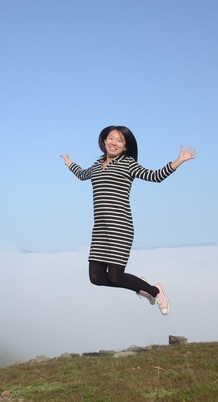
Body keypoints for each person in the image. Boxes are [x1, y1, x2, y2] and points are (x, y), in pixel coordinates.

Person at [60, 125, 196, 315]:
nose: (113, 142)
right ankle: (142, 288)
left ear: (125, 147)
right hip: (100, 229)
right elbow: (83, 175)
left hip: (120, 227)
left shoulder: (128, 164)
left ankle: (155, 291)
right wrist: (69, 163)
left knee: (116, 277)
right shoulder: (98, 164)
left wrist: (178, 161)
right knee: (96, 277)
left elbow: (155, 176)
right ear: (104, 141)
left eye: (119, 140)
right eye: (111, 138)